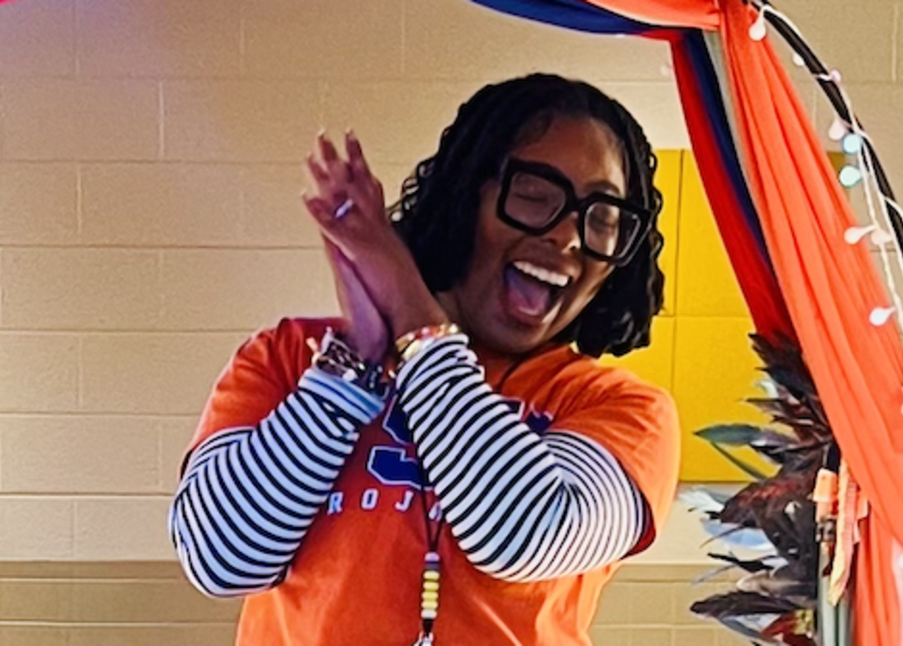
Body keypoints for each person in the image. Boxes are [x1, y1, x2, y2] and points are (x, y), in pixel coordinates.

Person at [168, 73, 680, 645]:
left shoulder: (625, 411)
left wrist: (411, 314)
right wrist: (353, 368)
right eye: (535, 195)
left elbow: (525, 533)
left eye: (602, 218)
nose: (568, 236)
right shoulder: (289, 358)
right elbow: (220, 559)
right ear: (467, 197)